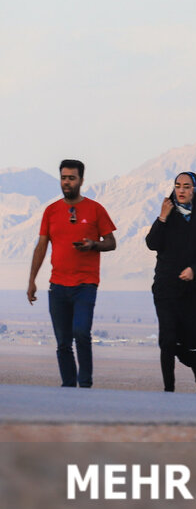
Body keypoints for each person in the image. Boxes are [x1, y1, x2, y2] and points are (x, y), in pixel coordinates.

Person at [27, 159, 117, 388]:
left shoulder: (95, 209)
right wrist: (32, 280)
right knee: (63, 342)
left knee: (81, 332)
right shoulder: (51, 211)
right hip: (57, 286)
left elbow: (111, 242)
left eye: (71, 178)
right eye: (64, 177)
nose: (67, 182)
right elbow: (41, 246)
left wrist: (93, 244)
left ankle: (85, 383)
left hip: (85, 284)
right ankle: (68, 387)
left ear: (81, 180)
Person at [144, 171, 196, 393]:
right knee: (167, 340)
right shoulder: (167, 214)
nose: (181, 190)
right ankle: (169, 390)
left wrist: (195, 270)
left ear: (195, 189)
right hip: (166, 289)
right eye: (178, 185)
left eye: (187, 186)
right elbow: (152, 243)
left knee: (193, 342)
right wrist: (162, 217)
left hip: (194, 293)